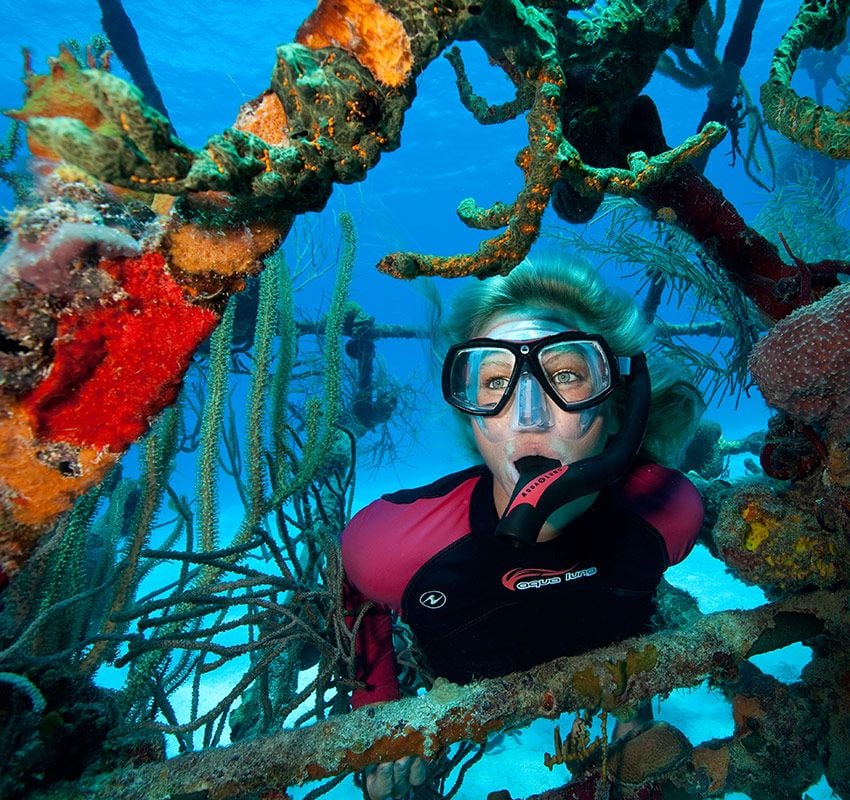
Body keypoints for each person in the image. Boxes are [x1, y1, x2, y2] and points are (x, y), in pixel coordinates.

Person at [341, 258, 706, 800]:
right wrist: (379, 703)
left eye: (564, 375)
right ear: (471, 415)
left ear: (618, 402)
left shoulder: (669, 511)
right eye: (493, 382)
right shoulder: (388, 544)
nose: (528, 415)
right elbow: (358, 599)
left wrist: (632, 700)